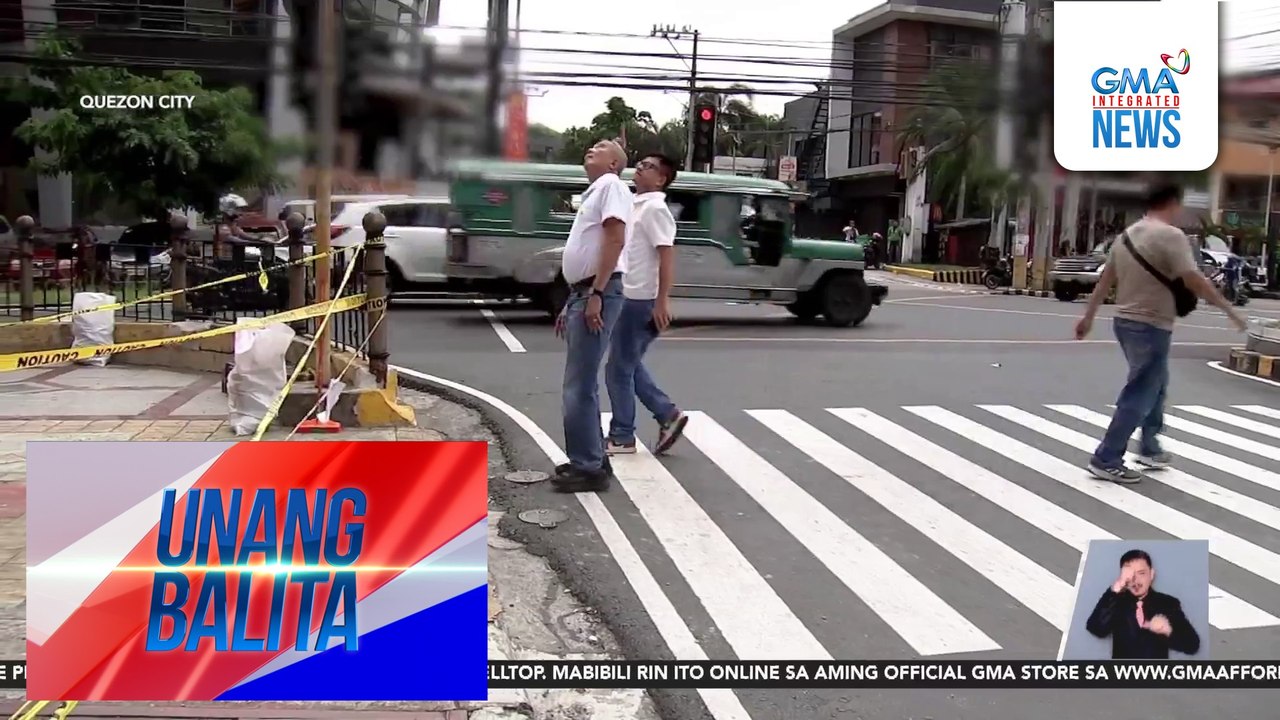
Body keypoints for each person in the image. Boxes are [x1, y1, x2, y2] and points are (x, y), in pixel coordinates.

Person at [1074, 184, 1247, 483]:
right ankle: (1106, 457)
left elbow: (1104, 282)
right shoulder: (1171, 235)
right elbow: (1193, 278)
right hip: (1151, 325)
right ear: (1173, 204)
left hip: (1124, 322)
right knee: (1141, 391)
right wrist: (1228, 309)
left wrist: (1088, 317)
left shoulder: (1125, 236)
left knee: (1156, 383)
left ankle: (1150, 447)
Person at [552, 139, 632, 492]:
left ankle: (588, 467)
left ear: (614, 163)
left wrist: (596, 292)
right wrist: (573, 300)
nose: (591, 149)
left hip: (596, 290)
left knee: (579, 384)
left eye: (601, 147)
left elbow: (615, 240)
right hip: (583, 291)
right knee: (580, 382)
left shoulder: (612, 186)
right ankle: (592, 459)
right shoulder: (596, 191)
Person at [605, 154, 688, 457]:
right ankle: (667, 413)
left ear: (661, 179)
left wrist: (662, 300)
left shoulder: (655, 209)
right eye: (639, 163)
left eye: (648, 166)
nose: (640, 168)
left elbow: (666, 255)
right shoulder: (635, 203)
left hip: (640, 299)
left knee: (618, 370)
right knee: (626, 365)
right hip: (627, 294)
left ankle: (623, 435)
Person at [1085, 549, 1200, 659]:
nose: (1136, 580)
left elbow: (1192, 645)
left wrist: (1168, 631)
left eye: (1141, 573)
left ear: (1151, 574)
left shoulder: (1168, 603)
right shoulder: (1116, 602)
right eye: (1130, 575)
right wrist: (1115, 589)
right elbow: (1096, 629)